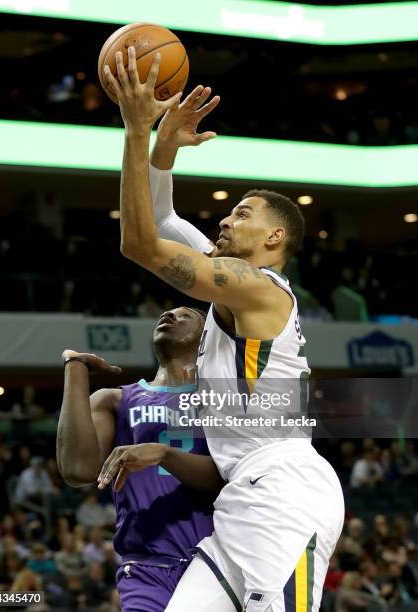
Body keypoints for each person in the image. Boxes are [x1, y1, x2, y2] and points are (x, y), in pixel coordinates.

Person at [101, 50, 345, 611]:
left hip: (284, 496)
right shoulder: (234, 284)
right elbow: (161, 221)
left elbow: (139, 243)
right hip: (240, 499)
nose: (224, 220)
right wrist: (163, 148)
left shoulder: (258, 287)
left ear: (275, 237)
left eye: (240, 214)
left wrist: (136, 132)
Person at [56, 306, 218, 611]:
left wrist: (164, 454)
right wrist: (75, 370)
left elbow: (226, 479)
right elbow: (77, 470)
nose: (169, 316)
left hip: (215, 563)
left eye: (185, 316)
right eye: (167, 314)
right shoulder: (115, 399)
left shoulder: (222, 399)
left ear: (207, 337)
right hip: (146, 567)